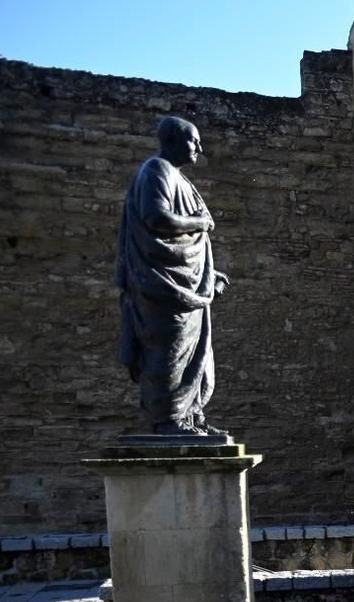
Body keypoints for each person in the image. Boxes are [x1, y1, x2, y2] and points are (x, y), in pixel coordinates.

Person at [115, 116, 230, 436]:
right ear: (173, 141)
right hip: (161, 285)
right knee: (170, 349)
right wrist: (199, 224)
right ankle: (167, 421)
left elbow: (180, 244)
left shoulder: (179, 178)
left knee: (196, 353)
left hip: (185, 281)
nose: (200, 148)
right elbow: (157, 218)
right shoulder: (156, 171)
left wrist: (207, 273)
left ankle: (191, 416)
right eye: (194, 141)